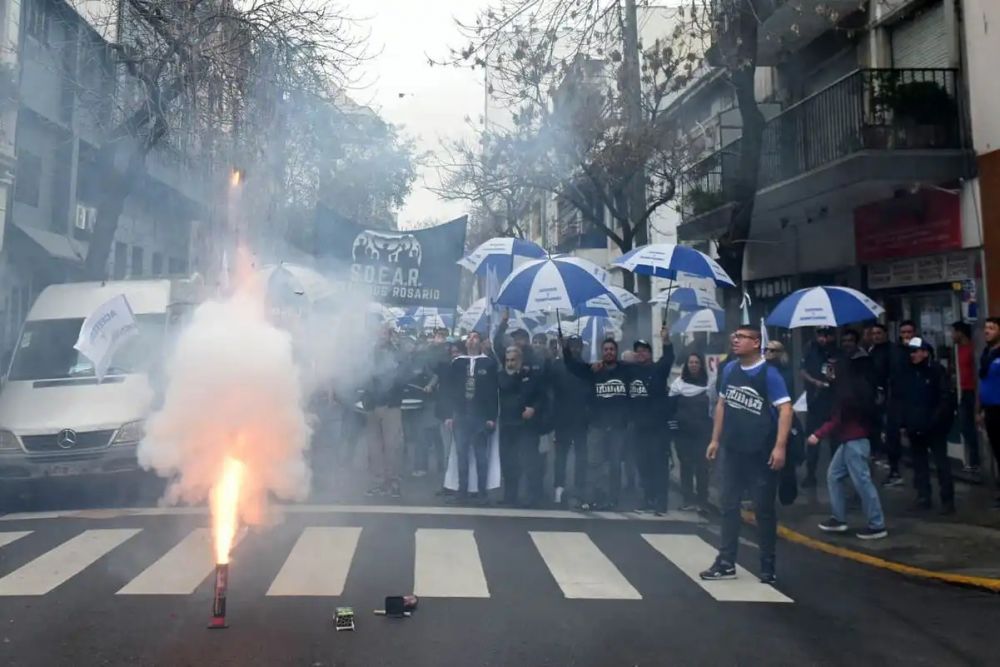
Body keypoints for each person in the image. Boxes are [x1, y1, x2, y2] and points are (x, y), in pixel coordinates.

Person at [700, 326, 792, 585]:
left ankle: (767, 565)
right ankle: (726, 561)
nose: (735, 340)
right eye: (734, 336)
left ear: (756, 343)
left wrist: (780, 446)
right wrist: (715, 439)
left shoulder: (769, 374)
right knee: (728, 506)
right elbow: (722, 403)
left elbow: (785, 409)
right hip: (733, 449)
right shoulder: (729, 370)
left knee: (763, 509)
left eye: (741, 337)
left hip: (761, 452)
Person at [809, 355, 888, 540]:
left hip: (855, 441)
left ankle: (877, 524)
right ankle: (839, 518)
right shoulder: (849, 388)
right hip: (851, 440)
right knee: (834, 475)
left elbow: (837, 419)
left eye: (830, 369)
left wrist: (817, 435)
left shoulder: (847, 393)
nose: (827, 373)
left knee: (862, 482)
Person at [563, 336, 631, 510]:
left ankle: (613, 499)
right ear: (602, 352)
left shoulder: (625, 370)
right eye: (606, 349)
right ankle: (592, 498)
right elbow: (573, 367)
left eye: (612, 349)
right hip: (597, 425)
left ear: (616, 352)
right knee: (594, 463)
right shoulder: (594, 370)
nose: (609, 352)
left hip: (618, 426)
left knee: (615, 464)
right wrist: (565, 349)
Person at [893, 337, 955, 514]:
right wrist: (904, 423)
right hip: (915, 425)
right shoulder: (907, 372)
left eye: (916, 351)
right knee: (919, 464)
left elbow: (944, 398)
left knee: (941, 463)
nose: (912, 355)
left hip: (934, 427)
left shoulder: (936, 371)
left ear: (925, 352)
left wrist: (936, 420)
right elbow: (902, 399)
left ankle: (947, 500)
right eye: (910, 352)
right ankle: (923, 496)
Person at [442, 331, 499, 504]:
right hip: (461, 413)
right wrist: (448, 415)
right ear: (466, 343)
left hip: (480, 414)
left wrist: (491, 416)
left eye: (475, 337)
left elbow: (492, 391)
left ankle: (482, 493)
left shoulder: (488, 363)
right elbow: (450, 391)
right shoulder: (457, 363)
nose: (472, 339)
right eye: (470, 337)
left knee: (481, 456)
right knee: (461, 454)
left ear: (481, 342)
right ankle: (462, 491)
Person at [626, 329, 675, 513]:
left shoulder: (658, 370)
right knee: (643, 465)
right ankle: (647, 499)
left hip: (657, 428)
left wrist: (666, 341)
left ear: (650, 353)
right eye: (638, 351)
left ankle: (661, 502)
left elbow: (669, 358)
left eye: (644, 350)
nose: (641, 353)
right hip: (638, 428)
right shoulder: (630, 371)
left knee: (659, 466)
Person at [361, 324, 409, 499]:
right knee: (374, 447)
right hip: (372, 405)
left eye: (384, 332)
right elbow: (362, 375)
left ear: (390, 335)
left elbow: (403, 375)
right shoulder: (369, 353)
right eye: (379, 332)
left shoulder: (397, 353)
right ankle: (378, 482)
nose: (381, 335)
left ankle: (393, 482)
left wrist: (392, 393)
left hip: (391, 406)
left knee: (393, 446)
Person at [497, 346, 543, 506]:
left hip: (527, 425)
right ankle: (510, 496)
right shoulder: (501, 376)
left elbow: (541, 396)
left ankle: (534, 497)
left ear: (520, 360)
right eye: (508, 360)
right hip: (507, 424)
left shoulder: (531, 376)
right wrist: (513, 375)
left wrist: (534, 408)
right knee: (509, 462)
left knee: (530, 461)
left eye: (513, 360)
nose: (510, 363)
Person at [551, 335, 591, 506]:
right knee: (561, 456)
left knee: (581, 456)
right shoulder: (557, 366)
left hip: (581, 419)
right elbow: (552, 392)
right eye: (572, 346)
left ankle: (579, 488)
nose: (575, 349)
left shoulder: (585, 367)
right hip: (562, 418)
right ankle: (558, 488)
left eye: (577, 346)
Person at [669, 352, 712, 511]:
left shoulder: (709, 385)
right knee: (686, 466)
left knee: (702, 468)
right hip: (683, 434)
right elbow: (671, 409)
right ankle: (687, 500)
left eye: (696, 362)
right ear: (686, 365)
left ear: (701, 365)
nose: (693, 365)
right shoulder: (678, 385)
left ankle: (702, 501)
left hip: (703, 434)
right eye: (691, 362)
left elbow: (713, 409)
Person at [801, 327, 838, 488]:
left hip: (833, 398)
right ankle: (810, 474)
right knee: (812, 438)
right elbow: (802, 370)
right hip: (815, 399)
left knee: (835, 440)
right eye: (820, 335)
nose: (823, 339)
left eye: (826, 335)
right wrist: (814, 382)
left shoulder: (836, 351)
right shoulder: (810, 348)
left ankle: (837, 474)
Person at [884, 320, 918, 487]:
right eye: (903, 332)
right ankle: (894, 469)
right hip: (896, 399)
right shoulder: (894, 351)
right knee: (893, 436)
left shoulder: (920, 349)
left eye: (909, 332)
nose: (906, 336)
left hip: (915, 400)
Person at [976, 317, 1000, 509]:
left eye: (992, 328)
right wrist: (979, 409)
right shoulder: (986, 354)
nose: (987, 331)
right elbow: (983, 383)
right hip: (990, 409)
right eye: (986, 328)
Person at [951, 321, 980, 475]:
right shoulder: (957, 350)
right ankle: (973, 459)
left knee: (971, 427)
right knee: (965, 426)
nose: (951, 335)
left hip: (971, 391)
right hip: (962, 390)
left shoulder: (971, 349)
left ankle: (976, 460)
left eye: (953, 332)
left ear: (960, 333)